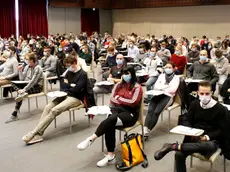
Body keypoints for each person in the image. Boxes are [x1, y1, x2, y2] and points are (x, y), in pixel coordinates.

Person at [77, 66, 143, 167]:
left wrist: (119, 99)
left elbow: (133, 102)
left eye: (127, 73)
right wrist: (120, 99)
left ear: (132, 74)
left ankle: (92, 139)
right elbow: (112, 99)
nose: (125, 76)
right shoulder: (118, 85)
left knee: (110, 120)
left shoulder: (137, 87)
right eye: (124, 74)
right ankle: (110, 155)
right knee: (110, 123)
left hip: (130, 114)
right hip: (117, 110)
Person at [154, 81, 227, 172]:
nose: (204, 96)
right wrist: (191, 132)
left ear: (211, 93)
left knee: (210, 146)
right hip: (194, 137)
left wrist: (207, 137)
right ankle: (176, 147)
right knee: (179, 155)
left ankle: (173, 146)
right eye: (202, 93)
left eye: (207, 93)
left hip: (210, 139)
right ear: (197, 93)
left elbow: (222, 130)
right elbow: (187, 119)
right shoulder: (195, 104)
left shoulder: (220, 109)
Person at [22, 55, 88, 145]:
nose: (68, 68)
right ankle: (39, 133)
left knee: (54, 110)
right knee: (48, 107)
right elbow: (63, 84)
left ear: (75, 63)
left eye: (69, 65)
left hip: (76, 98)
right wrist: (71, 85)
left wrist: (69, 85)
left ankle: (34, 133)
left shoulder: (82, 74)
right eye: (67, 66)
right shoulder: (69, 72)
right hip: (65, 94)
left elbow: (77, 90)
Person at [143, 61, 180, 137]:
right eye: (166, 67)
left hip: (168, 96)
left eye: (170, 67)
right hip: (157, 94)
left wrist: (162, 87)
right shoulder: (161, 76)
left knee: (156, 112)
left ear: (173, 69)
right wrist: (167, 86)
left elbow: (173, 90)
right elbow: (156, 86)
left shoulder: (176, 78)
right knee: (150, 111)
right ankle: (145, 129)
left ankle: (148, 131)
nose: (167, 69)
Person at [5, 53, 43, 123]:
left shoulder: (38, 68)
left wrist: (24, 89)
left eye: (27, 60)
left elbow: (33, 81)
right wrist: (20, 71)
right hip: (27, 84)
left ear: (32, 60)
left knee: (22, 93)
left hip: (37, 87)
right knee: (12, 83)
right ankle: (21, 92)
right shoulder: (27, 67)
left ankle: (14, 113)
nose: (26, 61)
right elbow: (22, 79)